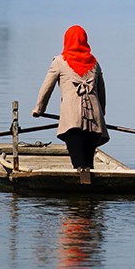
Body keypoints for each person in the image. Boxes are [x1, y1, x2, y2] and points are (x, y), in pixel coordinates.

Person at [32, 25, 109, 172]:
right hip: (94, 120)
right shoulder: (94, 63)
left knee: (78, 164)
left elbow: (46, 88)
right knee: (88, 163)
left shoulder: (59, 62)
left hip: (72, 119)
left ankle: (80, 186)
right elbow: (102, 92)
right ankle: (89, 186)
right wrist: (102, 114)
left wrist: (39, 109)